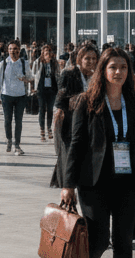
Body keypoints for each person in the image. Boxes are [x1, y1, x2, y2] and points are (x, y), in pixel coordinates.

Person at [61, 47, 135, 258]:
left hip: (127, 183)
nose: (119, 72)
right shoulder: (86, 101)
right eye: (113, 67)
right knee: (98, 240)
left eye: (123, 67)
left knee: (124, 244)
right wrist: (68, 185)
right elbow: (76, 144)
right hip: (94, 183)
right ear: (103, 70)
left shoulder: (134, 103)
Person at [51, 43, 99, 189]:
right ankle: (68, 187)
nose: (91, 61)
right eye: (87, 58)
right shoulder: (69, 73)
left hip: (91, 124)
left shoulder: (98, 76)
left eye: (94, 58)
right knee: (69, 157)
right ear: (79, 59)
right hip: (71, 123)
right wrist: (81, 99)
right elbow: (60, 100)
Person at [0, 39, 33, 155]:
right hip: (6, 95)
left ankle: (17, 145)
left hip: (20, 96)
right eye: (10, 49)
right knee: (7, 120)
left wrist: (25, 79)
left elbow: (31, 78)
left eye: (15, 49)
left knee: (18, 121)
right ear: (7, 50)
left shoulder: (24, 63)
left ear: (19, 50)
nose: (12, 51)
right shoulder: (3, 64)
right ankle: (9, 139)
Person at [33, 43, 60, 142]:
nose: (47, 53)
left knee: (50, 109)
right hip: (41, 88)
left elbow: (58, 74)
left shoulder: (54, 62)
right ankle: (42, 130)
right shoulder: (38, 62)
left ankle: (49, 128)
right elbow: (34, 75)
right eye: (45, 52)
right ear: (42, 53)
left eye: (48, 51)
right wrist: (32, 88)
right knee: (42, 109)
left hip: (52, 88)